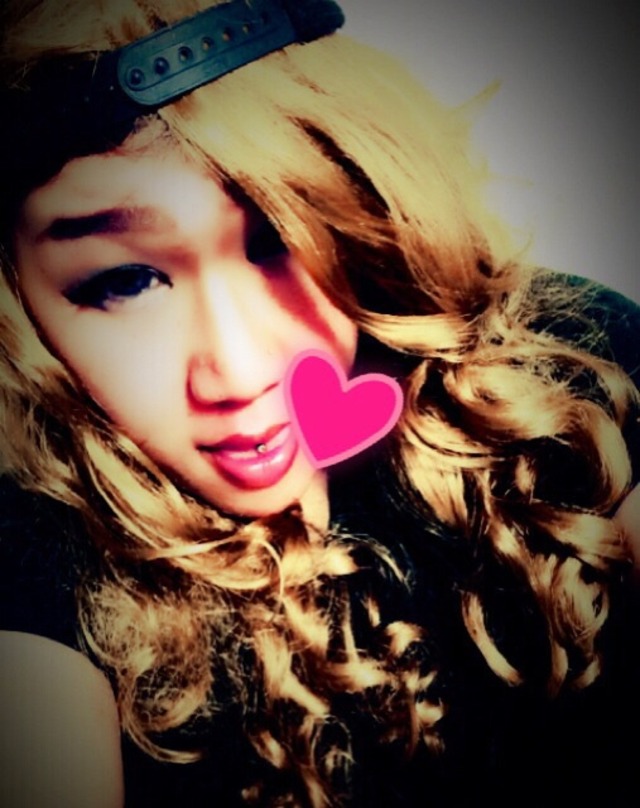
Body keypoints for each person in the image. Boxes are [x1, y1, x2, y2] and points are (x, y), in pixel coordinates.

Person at [0, 1, 638, 805]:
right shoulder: (37, 538)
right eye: (125, 281)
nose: (237, 372)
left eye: (281, 236)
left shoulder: (561, 361)